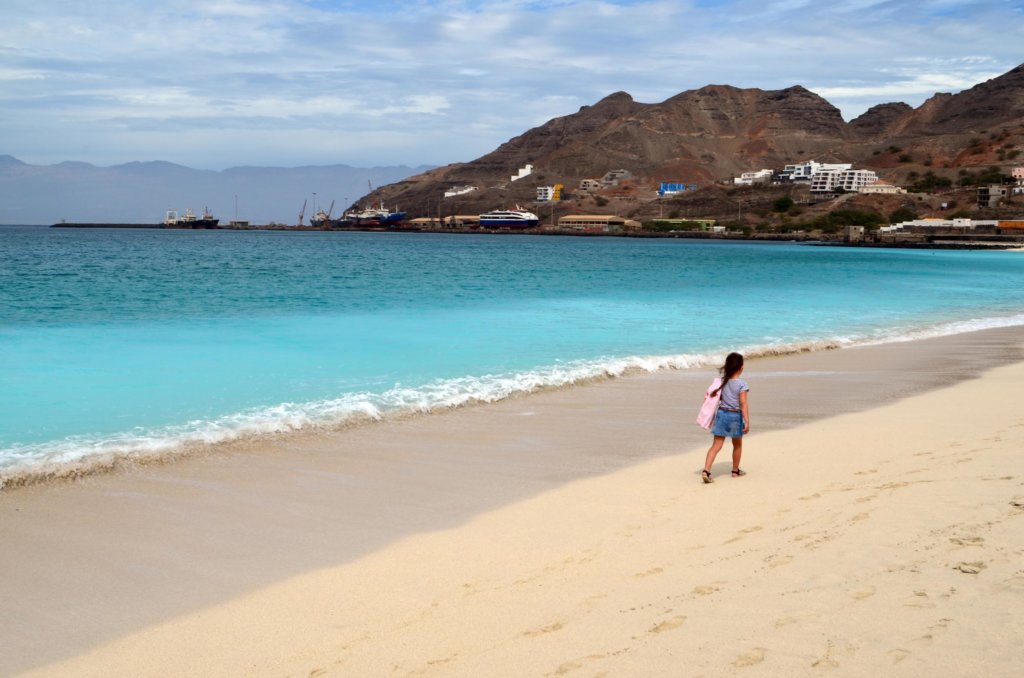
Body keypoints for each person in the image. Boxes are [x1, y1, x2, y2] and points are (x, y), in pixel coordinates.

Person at [702, 352, 749, 483]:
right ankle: (735, 471)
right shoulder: (742, 385)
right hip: (735, 416)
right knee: (737, 445)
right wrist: (747, 420)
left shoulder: (721, 382)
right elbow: (743, 403)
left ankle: (706, 470)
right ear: (741, 368)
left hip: (722, 414)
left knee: (716, 445)